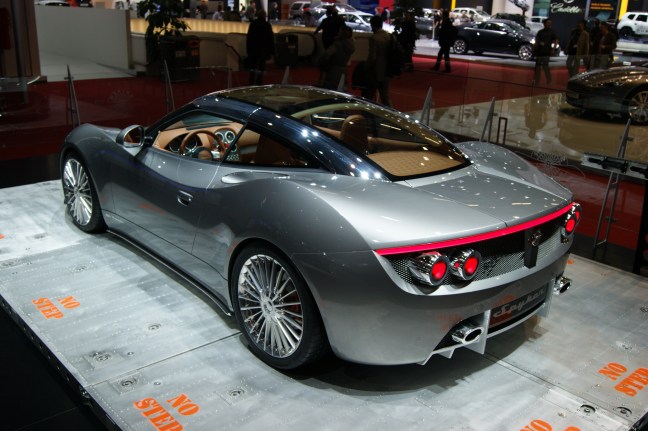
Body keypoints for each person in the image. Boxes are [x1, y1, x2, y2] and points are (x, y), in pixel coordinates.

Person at [362, 15, 392, 106]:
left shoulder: (374, 38)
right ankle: (390, 113)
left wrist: (365, 67)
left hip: (375, 70)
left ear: (373, 25)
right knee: (385, 96)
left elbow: (372, 57)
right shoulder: (388, 36)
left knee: (369, 95)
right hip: (387, 69)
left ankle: (367, 113)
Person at [319, 25, 355, 90]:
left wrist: (323, 62)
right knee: (341, 89)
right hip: (344, 70)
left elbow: (326, 54)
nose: (338, 33)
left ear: (342, 33)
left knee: (330, 89)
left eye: (339, 32)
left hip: (334, 70)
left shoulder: (337, 44)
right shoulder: (351, 44)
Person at [246, 9, 275, 85]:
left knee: (253, 65)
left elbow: (249, 37)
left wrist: (248, 49)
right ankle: (259, 80)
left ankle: (251, 80)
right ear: (264, 16)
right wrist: (272, 51)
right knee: (261, 66)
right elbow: (270, 39)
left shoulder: (253, 24)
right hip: (263, 49)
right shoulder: (267, 25)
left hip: (253, 49)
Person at [533, 18, 558, 85]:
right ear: (544, 24)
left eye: (550, 23)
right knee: (538, 66)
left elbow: (556, 40)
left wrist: (553, 49)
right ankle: (537, 80)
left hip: (547, 51)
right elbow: (537, 41)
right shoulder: (540, 32)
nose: (549, 24)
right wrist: (534, 48)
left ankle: (549, 79)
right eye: (548, 23)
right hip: (539, 51)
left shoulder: (553, 32)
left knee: (545, 66)